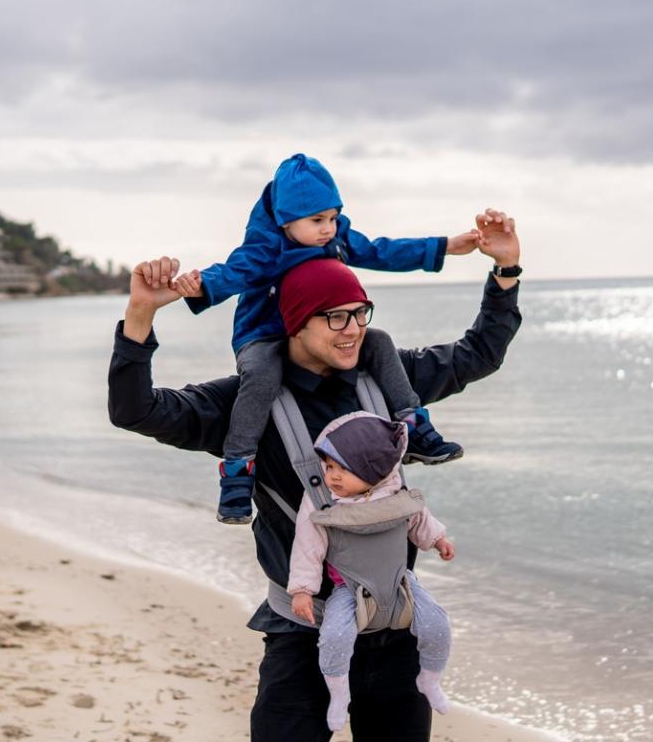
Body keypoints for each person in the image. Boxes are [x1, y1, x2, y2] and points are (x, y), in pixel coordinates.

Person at [108, 208, 520, 742]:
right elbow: (135, 411)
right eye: (334, 318)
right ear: (294, 323)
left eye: (359, 313)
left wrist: (506, 273)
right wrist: (140, 315)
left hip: (394, 633)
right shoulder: (241, 405)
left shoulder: (387, 378)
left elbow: (479, 354)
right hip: (301, 638)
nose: (353, 329)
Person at [170, 153, 479, 524]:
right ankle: (238, 470)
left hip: (321, 333)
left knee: (378, 340)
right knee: (262, 377)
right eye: (317, 220)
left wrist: (444, 246)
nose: (328, 229)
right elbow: (229, 273)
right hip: (265, 336)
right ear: (285, 220)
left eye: (333, 217)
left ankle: (414, 425)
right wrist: (198, 284)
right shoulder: (266, 247)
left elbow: (381, 251)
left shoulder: (336, 237)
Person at [288, 410, 455, 732]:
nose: (332, 476)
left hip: (400, 582)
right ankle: (339, 695)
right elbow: (307, 545)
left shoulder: (395, 493)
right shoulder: (323, 503)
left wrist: (438, 540)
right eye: (329, 467)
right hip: (349, 588)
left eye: (343, 469)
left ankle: (430, 679)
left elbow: (419, 518)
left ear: (373, 469)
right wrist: (302, 590)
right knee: (334, 636)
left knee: (437, 624)